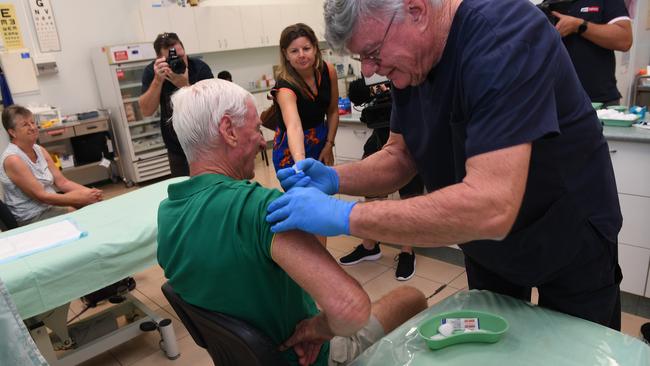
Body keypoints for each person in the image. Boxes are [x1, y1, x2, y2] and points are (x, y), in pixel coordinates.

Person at [266, 0, 624, 330]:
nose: (370, 70)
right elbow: (401, 155)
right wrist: (332, 177)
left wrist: (345, 218)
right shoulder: (410, 60)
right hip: (484, 241)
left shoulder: (503, 35)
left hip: (566, 232)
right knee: (497, 344)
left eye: (372, 53)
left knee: (575, 349)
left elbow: (491, 205)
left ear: (416, 10)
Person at [157, 79, 427, 366]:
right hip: (304, 357)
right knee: (411, 298)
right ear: (228, 131)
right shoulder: (262, 209)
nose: (263, 141)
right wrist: (317, 329)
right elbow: (351, 310)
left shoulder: (167, 213)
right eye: (256, 129)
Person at [339, 79, 424, 281]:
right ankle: (369, 245)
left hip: (410, 136)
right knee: (370, 192)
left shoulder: (411, 72)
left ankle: (407, 252)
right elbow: (358, 94)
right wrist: (374, 88)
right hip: (381, 135)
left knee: (409, 198)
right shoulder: (375, 73)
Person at [0, 105, 103, 226]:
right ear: (12, 132)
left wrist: (91, 194)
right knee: (75, 213)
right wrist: (79, 198)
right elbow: (42, 196)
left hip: (49, 205)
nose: (33, 127)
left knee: (94, 204)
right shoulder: (13, 159)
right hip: (31, 215)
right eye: (25, 125)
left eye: (32, 122)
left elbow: (63, 182)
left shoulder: (39, 149)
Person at [139, 32, 214, 177]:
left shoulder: (199, 68)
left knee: (210, 186)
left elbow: (212, 106)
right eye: (171, 59)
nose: (179, 62)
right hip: (176, 147)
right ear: (159, 60)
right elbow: (146, 111)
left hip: (205, 142)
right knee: (184, 190)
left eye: (181, 56)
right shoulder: (152, 72)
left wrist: (185, 85)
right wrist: (158, 80)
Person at [272, 23, 339, 171]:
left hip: (321, 141)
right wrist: (300, 166)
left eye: (306, 48)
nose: (301, 55)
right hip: (291, 149)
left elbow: (333, 111)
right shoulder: (285, 87)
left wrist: (329, 144)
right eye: (294, 51)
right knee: (304, 192)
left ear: (315, 48)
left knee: (324, 189)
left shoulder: (328, 71)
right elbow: (294, 127)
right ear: (286, 54)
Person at [550, 0, 632, 106]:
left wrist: (579, 26)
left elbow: (624, 40)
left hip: (599, 101)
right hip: (557, 100)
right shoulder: (549, 3)